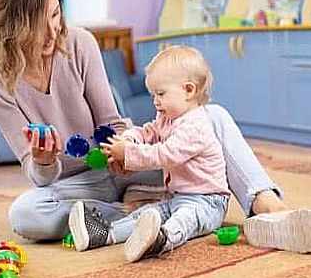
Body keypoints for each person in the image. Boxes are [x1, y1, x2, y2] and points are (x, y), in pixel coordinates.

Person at [0, 0, 311, 254]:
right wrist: (44, 160)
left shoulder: (79, 43)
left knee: (212, 118)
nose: (53, 29)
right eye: (39, 21)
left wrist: (127, 150)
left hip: (130, 164)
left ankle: (267, 210)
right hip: (81, 185)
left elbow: (112, 122)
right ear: (14, 24)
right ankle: (134, 213)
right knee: (26, 213)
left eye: (56, 14)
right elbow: (38, 175)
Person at [69, 46, 230, 262]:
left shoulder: (196, 125)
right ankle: (106, 234)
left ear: (189, 90)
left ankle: (161, 239)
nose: (155, 101)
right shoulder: (167, 118)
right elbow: (147, 132)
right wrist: (128, 139)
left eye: (161, 94)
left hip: (207, 201)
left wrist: (128, 154)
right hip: (177, 196)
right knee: (147, 214)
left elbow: (165, 155)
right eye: (153, 94)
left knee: (185, 219)